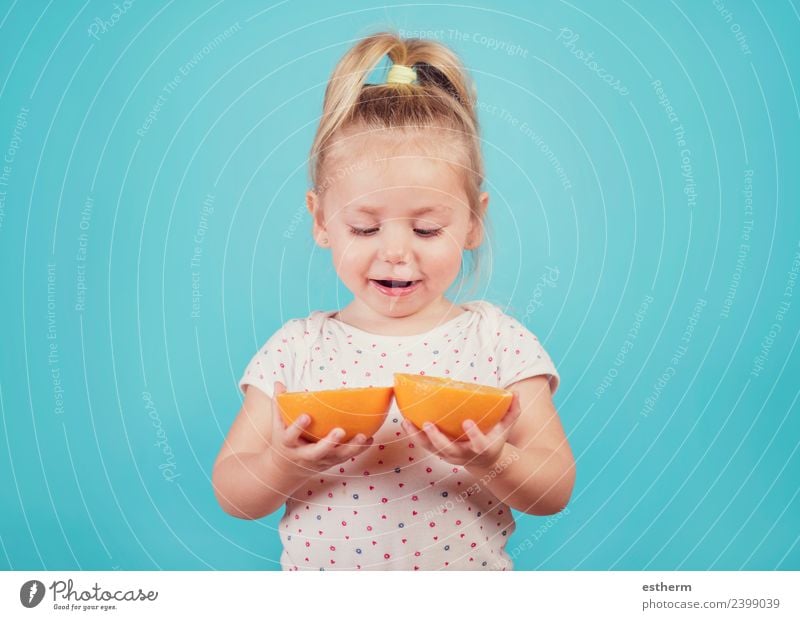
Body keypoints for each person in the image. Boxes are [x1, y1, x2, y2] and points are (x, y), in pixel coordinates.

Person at [212, 31, 575, 570]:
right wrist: (284, 464)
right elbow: (233, 492)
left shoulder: (497, 342)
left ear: (474, 221)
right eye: (365, 227)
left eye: (427, 229)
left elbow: (555, 489)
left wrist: (494, 459)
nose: (397, 253)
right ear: (320, 220)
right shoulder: (297, 349)